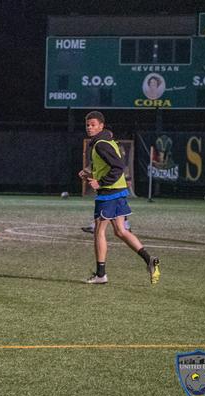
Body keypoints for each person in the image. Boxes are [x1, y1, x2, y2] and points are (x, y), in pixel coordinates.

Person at [78, 111, 161, 285]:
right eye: (87, 125)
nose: (89, 128)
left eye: (93, 125)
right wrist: (90, 173)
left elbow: (118, 167)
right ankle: (149, 259)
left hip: (109, 192)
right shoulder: (106, 141)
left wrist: (100, 182)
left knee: (99, 232)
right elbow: (107, 165)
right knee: (120, 231)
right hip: (118, 190)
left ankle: (101, 275)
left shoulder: (101, 144)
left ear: (101, 126)